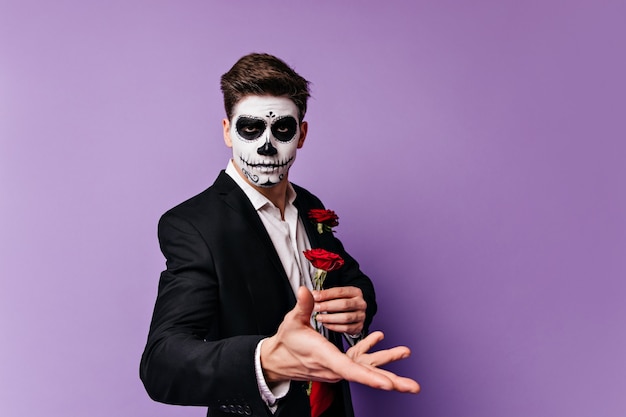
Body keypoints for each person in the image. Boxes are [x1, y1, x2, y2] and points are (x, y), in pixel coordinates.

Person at [140, 53, 420, 417]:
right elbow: (162, 363)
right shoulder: (193, 225)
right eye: (251, 129)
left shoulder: (309, 204)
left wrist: (356, 310)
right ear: (227, 131)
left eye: (282, 129)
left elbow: (351, 279)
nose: (267, 146)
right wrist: (267, 360)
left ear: (301, 135)